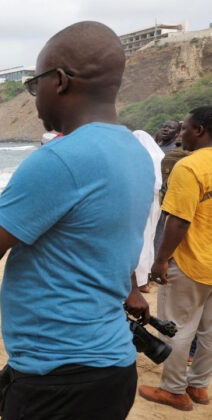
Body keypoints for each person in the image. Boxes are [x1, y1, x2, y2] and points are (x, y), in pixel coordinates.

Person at [0, 22, 154, 420]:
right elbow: (85, 232)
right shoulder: (134, 151)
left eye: (33, 84)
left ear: (59, 81)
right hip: (110, 366)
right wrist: (0, 213)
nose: (33, 97)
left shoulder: (59, 158)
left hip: (59, 379)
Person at [139, 106, 212, 412]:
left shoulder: (190, 166)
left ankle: (174, 390)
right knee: (209, 330)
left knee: (177, 327)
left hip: (191, 260)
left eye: (185, 128)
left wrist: (160, 261)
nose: (181, 134)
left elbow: (178, 221)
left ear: (199, 130)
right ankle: (199, 386)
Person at [128, 130, 165, 295]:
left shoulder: (138, 156)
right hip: (156, 201)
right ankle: (145, 279)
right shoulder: (160, 156)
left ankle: (138, 280)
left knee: (138, 239)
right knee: (149, 238)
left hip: (139, 201)